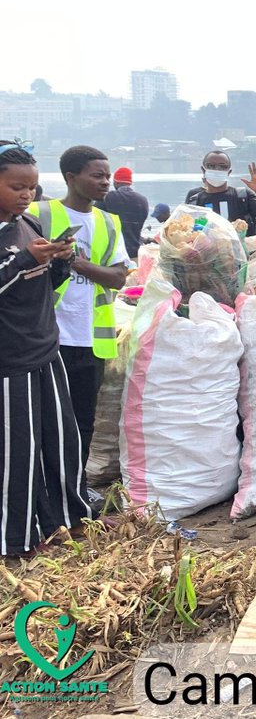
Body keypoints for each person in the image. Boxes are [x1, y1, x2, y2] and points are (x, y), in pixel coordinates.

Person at [0, 140, 93, 556]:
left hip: (44, 349)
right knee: (16, 454)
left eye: (33, 188)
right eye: (17, 187)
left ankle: (69, 520)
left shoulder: (29, 226)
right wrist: (21, 263)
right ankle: (13, 540)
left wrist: (58, 261)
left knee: (61, 442)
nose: (27, 195)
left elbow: (44, 285)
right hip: (10, 361)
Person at [27, 146, 129, 471]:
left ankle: (76, 488)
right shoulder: (36, 214)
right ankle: (44, 490)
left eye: (108, 176)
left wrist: (77, 263)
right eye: (97, 175)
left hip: (90, 341)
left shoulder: (109, 223)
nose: (105, 183)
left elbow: (117, 278)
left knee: (83, 421)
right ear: (72, 178)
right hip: (46, 338)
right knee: (43, 421)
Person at [184, 151, 256, 236]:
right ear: (203, 170)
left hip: (247, 252)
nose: (217, 169)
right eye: (211, 166)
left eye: (222, 166)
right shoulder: (195, 202)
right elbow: (187, 230)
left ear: (229, 172)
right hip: (208, 252)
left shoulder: (242, 196)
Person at [101, 166, 149, 258]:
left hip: (113, 254)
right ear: (130, 182)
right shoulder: (143, 200)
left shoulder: (108, 197)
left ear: (116, 181)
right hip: (135, 252)